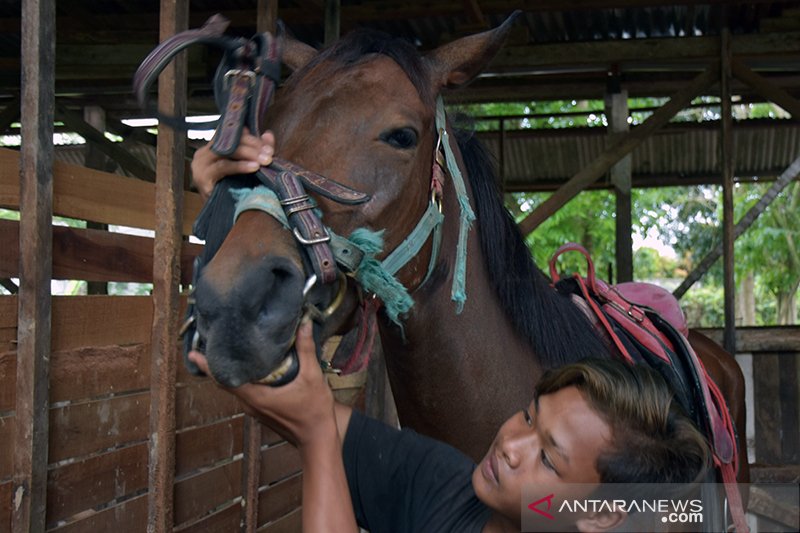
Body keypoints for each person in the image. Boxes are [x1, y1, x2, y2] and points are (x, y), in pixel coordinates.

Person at [189, 134, 712, 533]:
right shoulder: (448, 486)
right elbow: (280, 393)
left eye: (548, 458)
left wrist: (319, 441)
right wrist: (232, 202)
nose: (511, 444)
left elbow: (317, 430)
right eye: (529, 415)